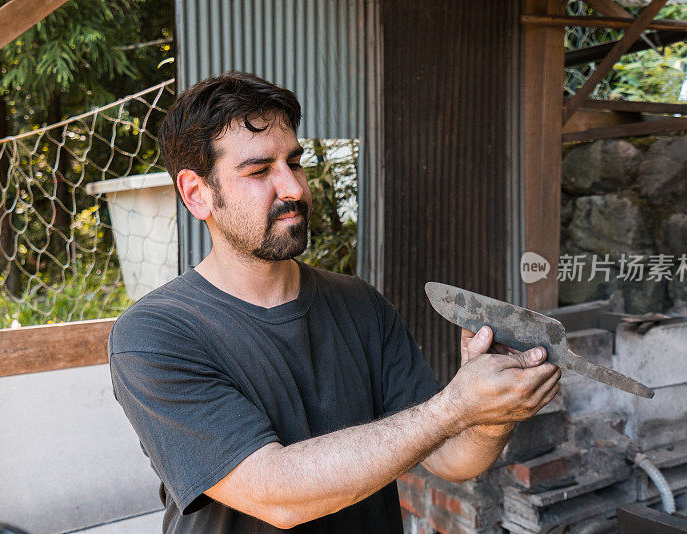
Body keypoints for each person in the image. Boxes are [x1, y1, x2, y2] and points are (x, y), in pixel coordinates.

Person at [108, 71, 561, 533]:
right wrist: (454, 407)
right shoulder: (155, 336)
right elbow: (276, 493)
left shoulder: (359, 304)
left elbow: (454, 458)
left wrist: (493, 408)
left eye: (295, 163)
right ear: (197, 193)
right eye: (260, 171)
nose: (294, 189)